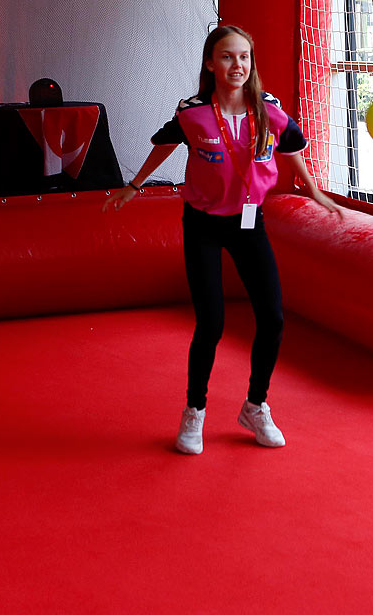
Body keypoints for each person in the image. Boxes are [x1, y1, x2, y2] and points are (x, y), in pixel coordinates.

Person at [104, 24, 341, 455]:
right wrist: (134, 185)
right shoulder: (192, 113)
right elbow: (165, 144)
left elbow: (290, 147)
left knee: (272, 318)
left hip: (250, 222)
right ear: (211, 64)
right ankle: (194, 412)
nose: (238, 65)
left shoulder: (269, 110)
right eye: (228, 57)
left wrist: (314, 189)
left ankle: (256, 405)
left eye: (245, 57)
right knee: (211, 323)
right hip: (204, 224)